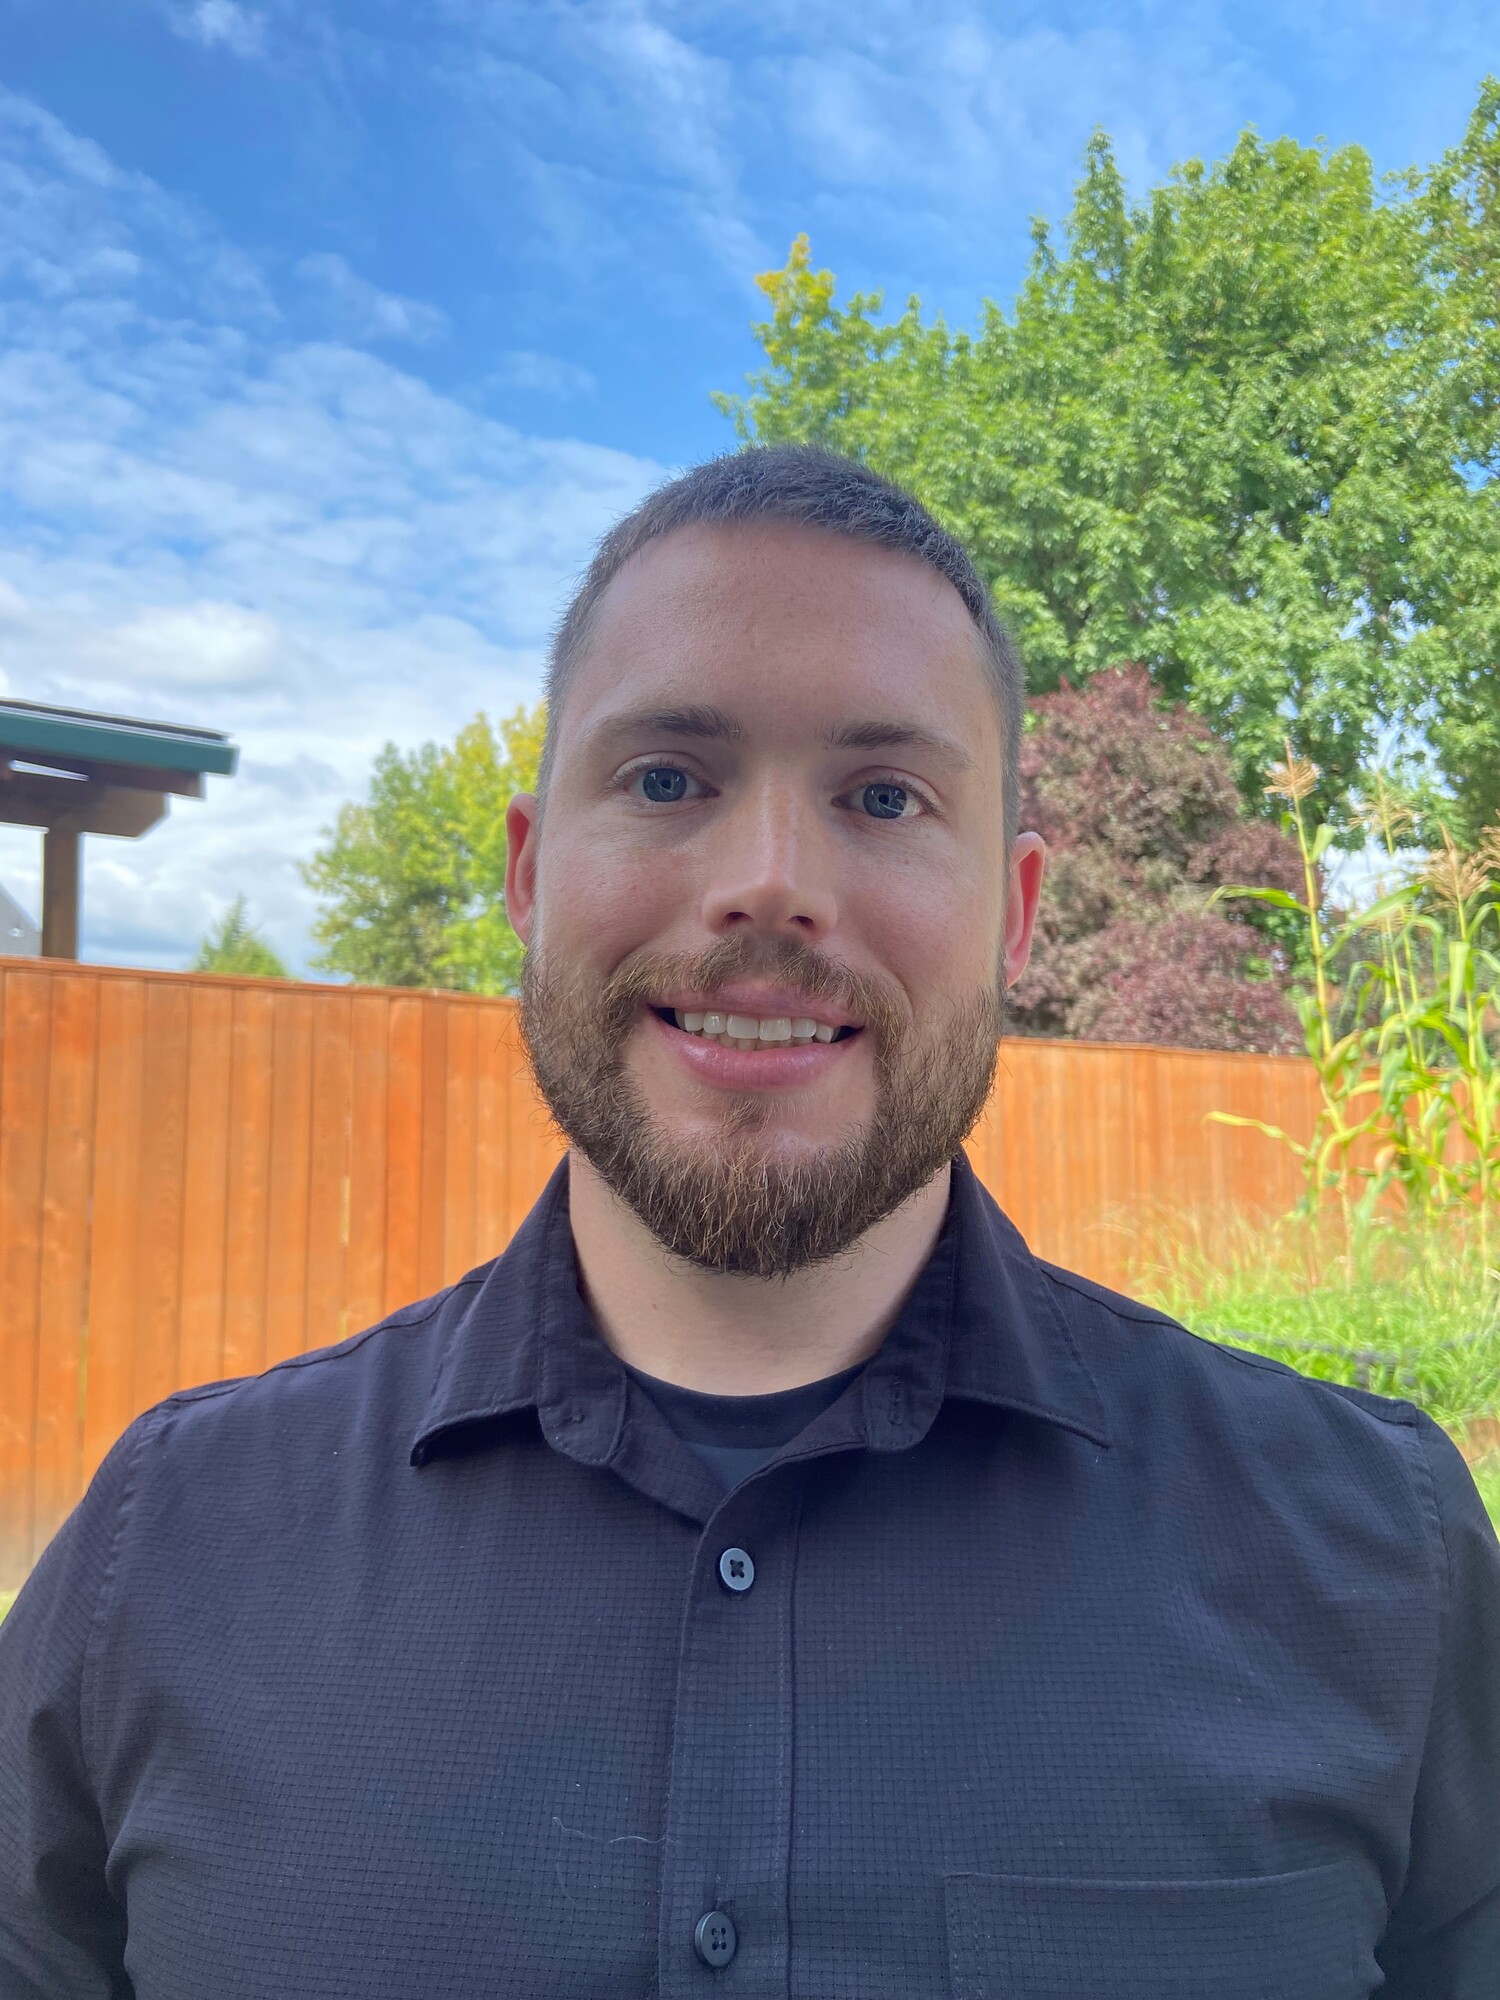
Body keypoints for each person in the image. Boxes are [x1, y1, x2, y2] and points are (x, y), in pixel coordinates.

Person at [0, 447, 1496, 2000]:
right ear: (526, 873)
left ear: (1018, 912)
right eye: (667, 779)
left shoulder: (1381, 1564)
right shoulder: (165, 1551)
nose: (769, 885)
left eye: (884, 795)